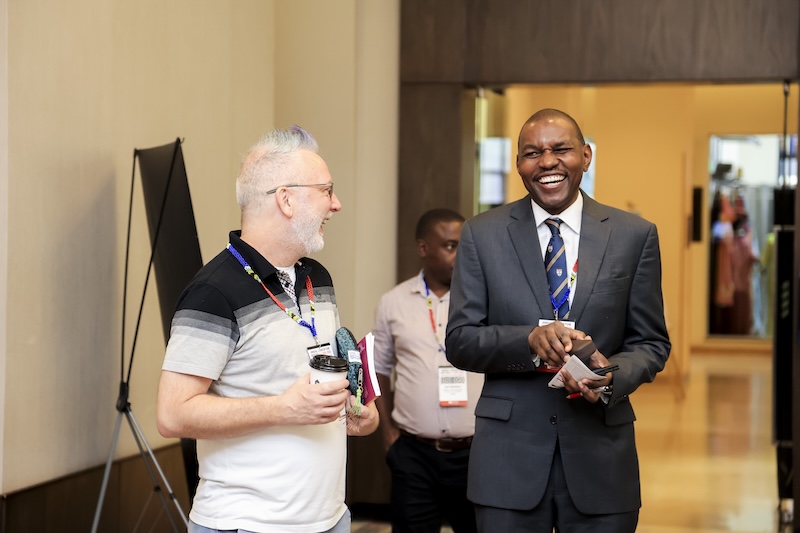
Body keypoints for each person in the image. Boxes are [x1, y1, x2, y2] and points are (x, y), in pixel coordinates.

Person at [445, 108, 671, 532]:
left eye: (561, 149)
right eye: (532, 153)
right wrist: (528, 341)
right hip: (507, 464)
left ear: (586, 156)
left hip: (601, 461)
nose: (547, 162)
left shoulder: (633, 235)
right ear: (518, 164)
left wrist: (610, 376)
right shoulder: (482, 234)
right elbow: (460, 340)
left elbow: (652, 342)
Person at [156, 125, 379, 533]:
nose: (336, 204)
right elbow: (172, 415)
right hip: (246, 524)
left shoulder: (317, 278)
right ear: (286, 199)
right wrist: (284, 408)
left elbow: (307, 374)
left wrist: (355, 408)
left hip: (329, 519)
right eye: (326, 190)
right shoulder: (213, 291)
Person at [373, 208, 481, 533]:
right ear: (423, 248)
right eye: (450, 246)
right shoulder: (393, 302)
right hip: (414, 456)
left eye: (464, 246)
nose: (459, 255)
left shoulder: (482, 301)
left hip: (476, 454)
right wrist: (388, 433)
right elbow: (379, 369)